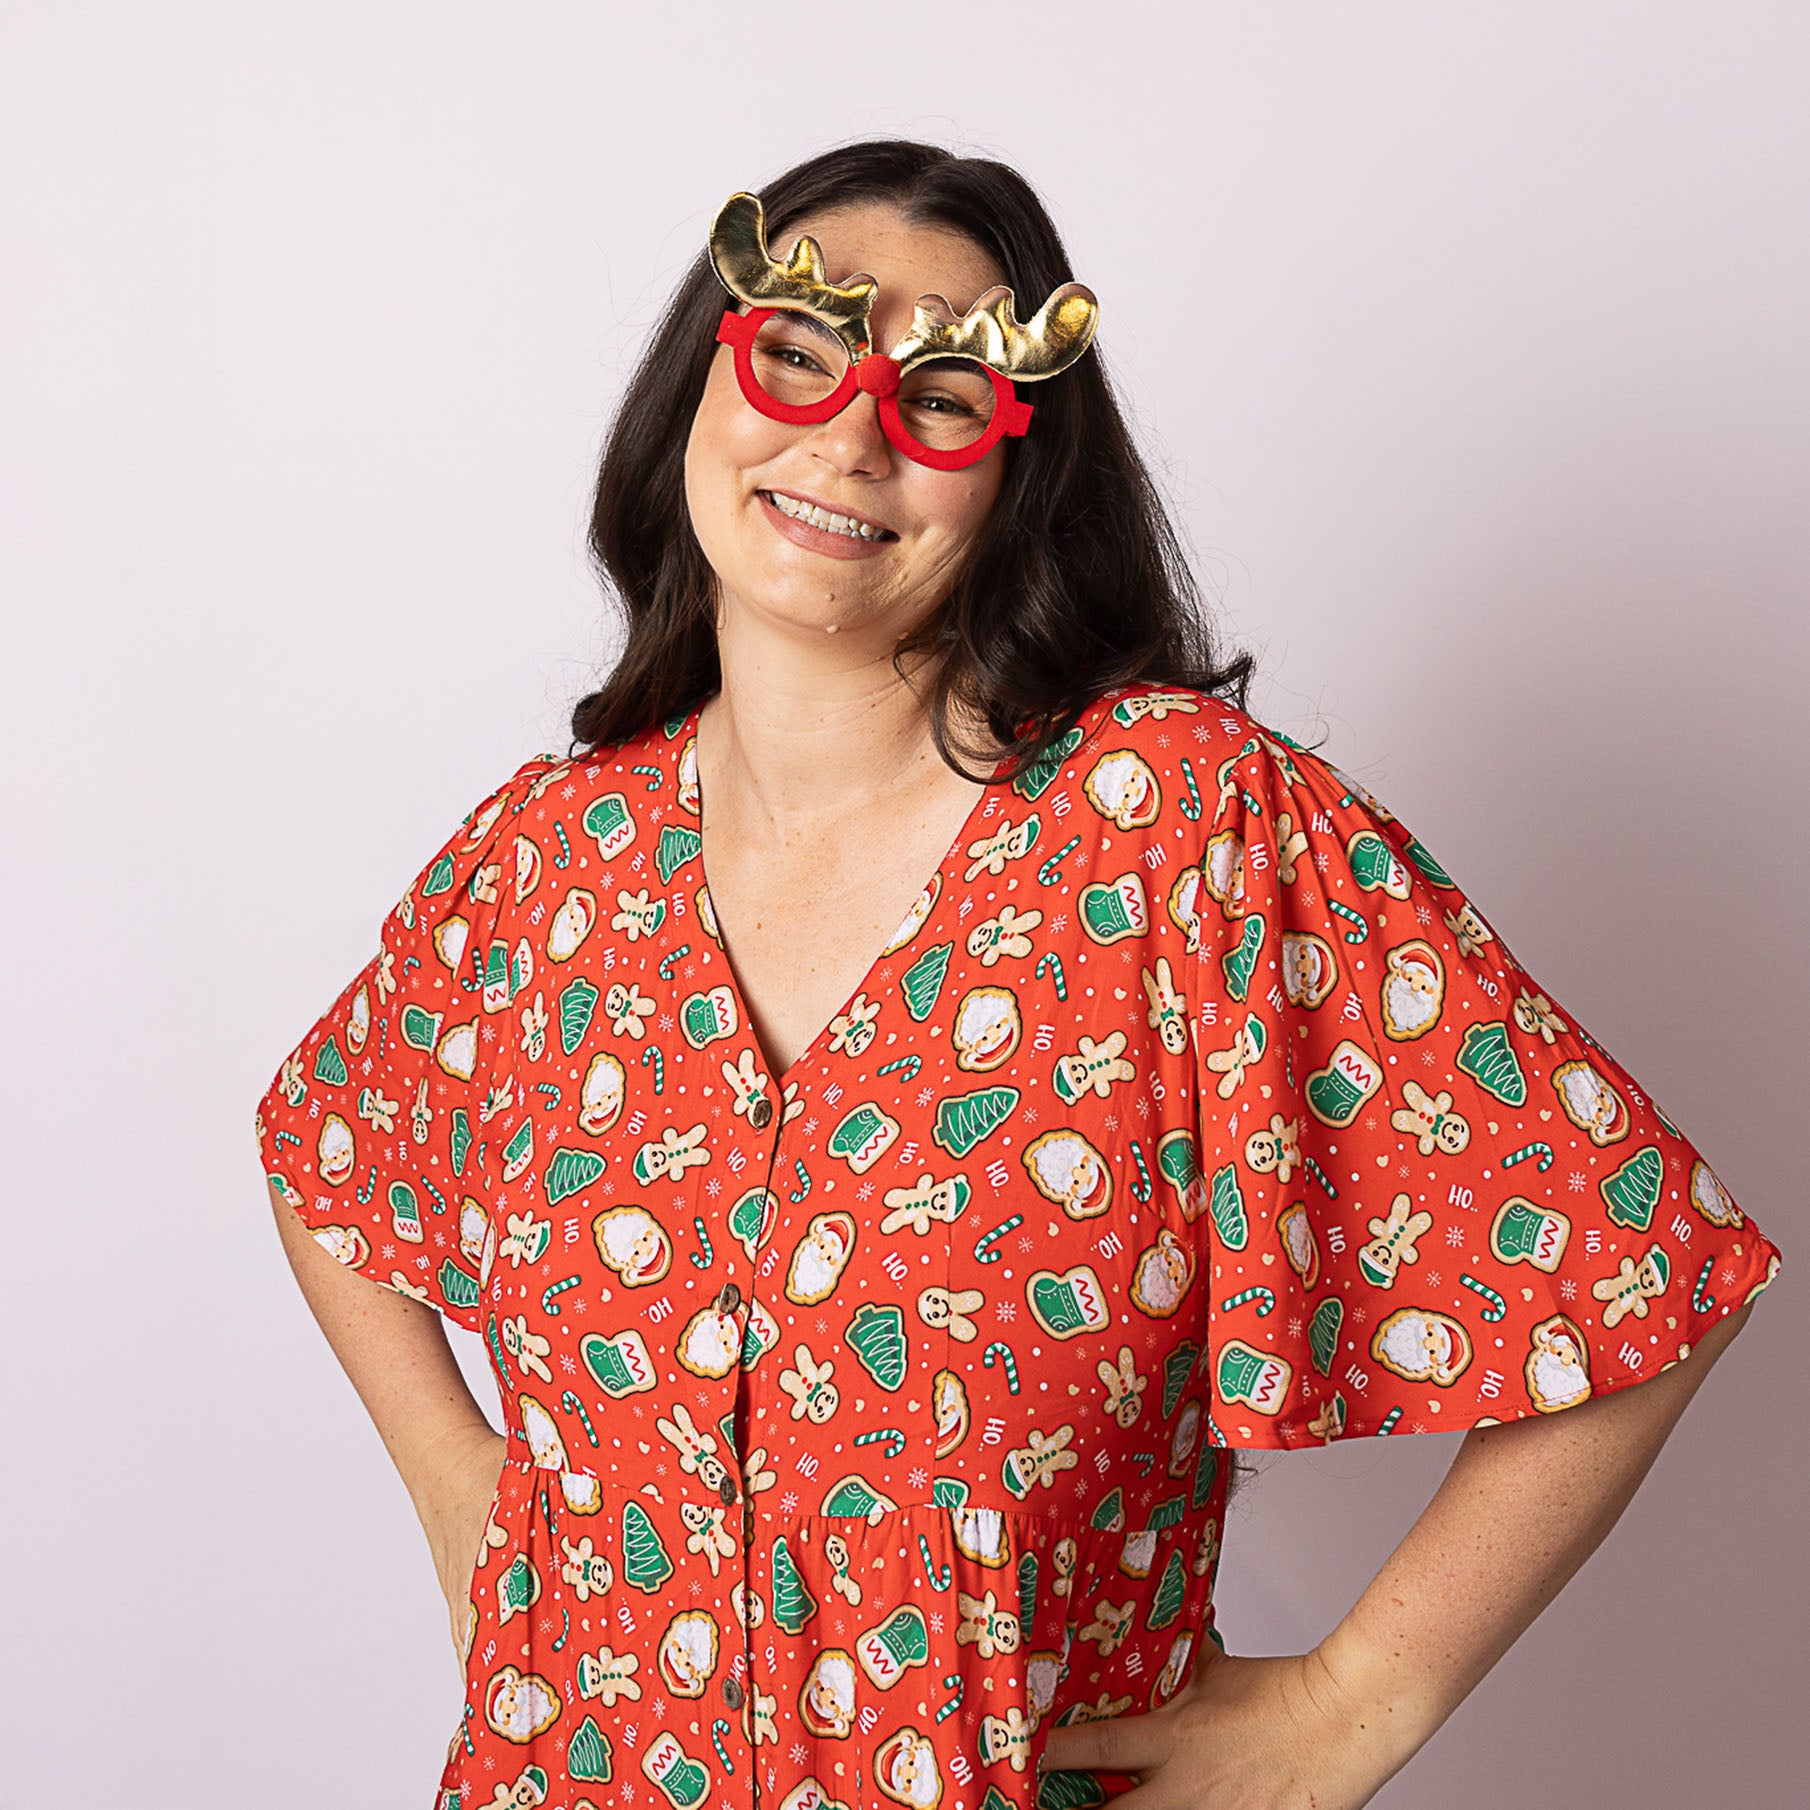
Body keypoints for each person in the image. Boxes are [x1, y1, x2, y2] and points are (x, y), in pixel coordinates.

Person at [254, 138, 1784, 1810]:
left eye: (944, 398)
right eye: (797, 351)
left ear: (1017, 468)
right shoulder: (548, 862)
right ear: (699, 377)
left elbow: (1642, 1270)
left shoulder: (1180, 834)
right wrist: (455, 1479)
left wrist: (1360, 1697)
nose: (846, 435)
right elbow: (326, 1150)